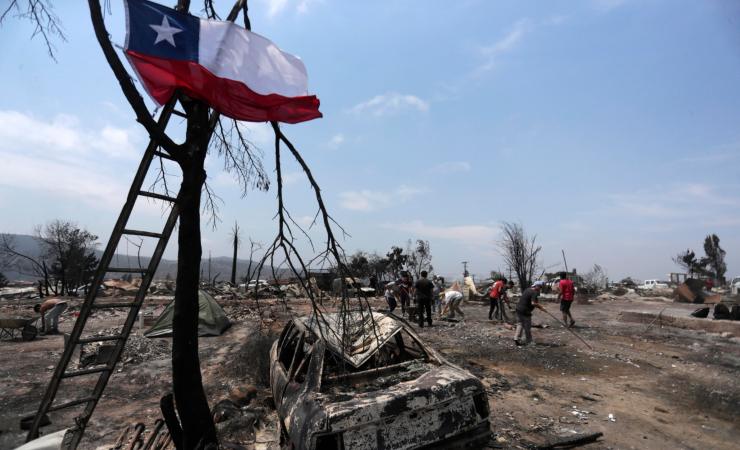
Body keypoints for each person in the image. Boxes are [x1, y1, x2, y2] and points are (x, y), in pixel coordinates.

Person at [514, 281, 544, 346]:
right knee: (527, 327)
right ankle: (529, 341)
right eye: (539, 286)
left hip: (518, 309)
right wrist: (541, 307)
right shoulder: (534, 292)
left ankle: (516, 338)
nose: (540, 288)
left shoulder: (527, 289)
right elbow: (533, 303)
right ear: (536, 286)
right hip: (525, 311)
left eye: (541, 287)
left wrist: (539, 307)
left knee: (520, 324)